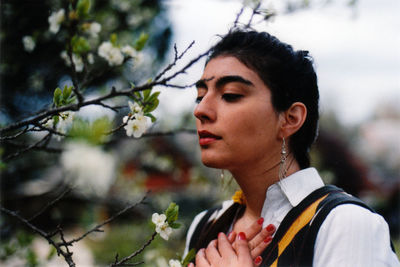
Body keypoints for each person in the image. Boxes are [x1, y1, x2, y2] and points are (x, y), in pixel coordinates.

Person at [184, 29, 399, 267]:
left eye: (230, 94)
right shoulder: (205, 226)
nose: (200, 110)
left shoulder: (345, 224)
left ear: (290, 118)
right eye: (200, 95)